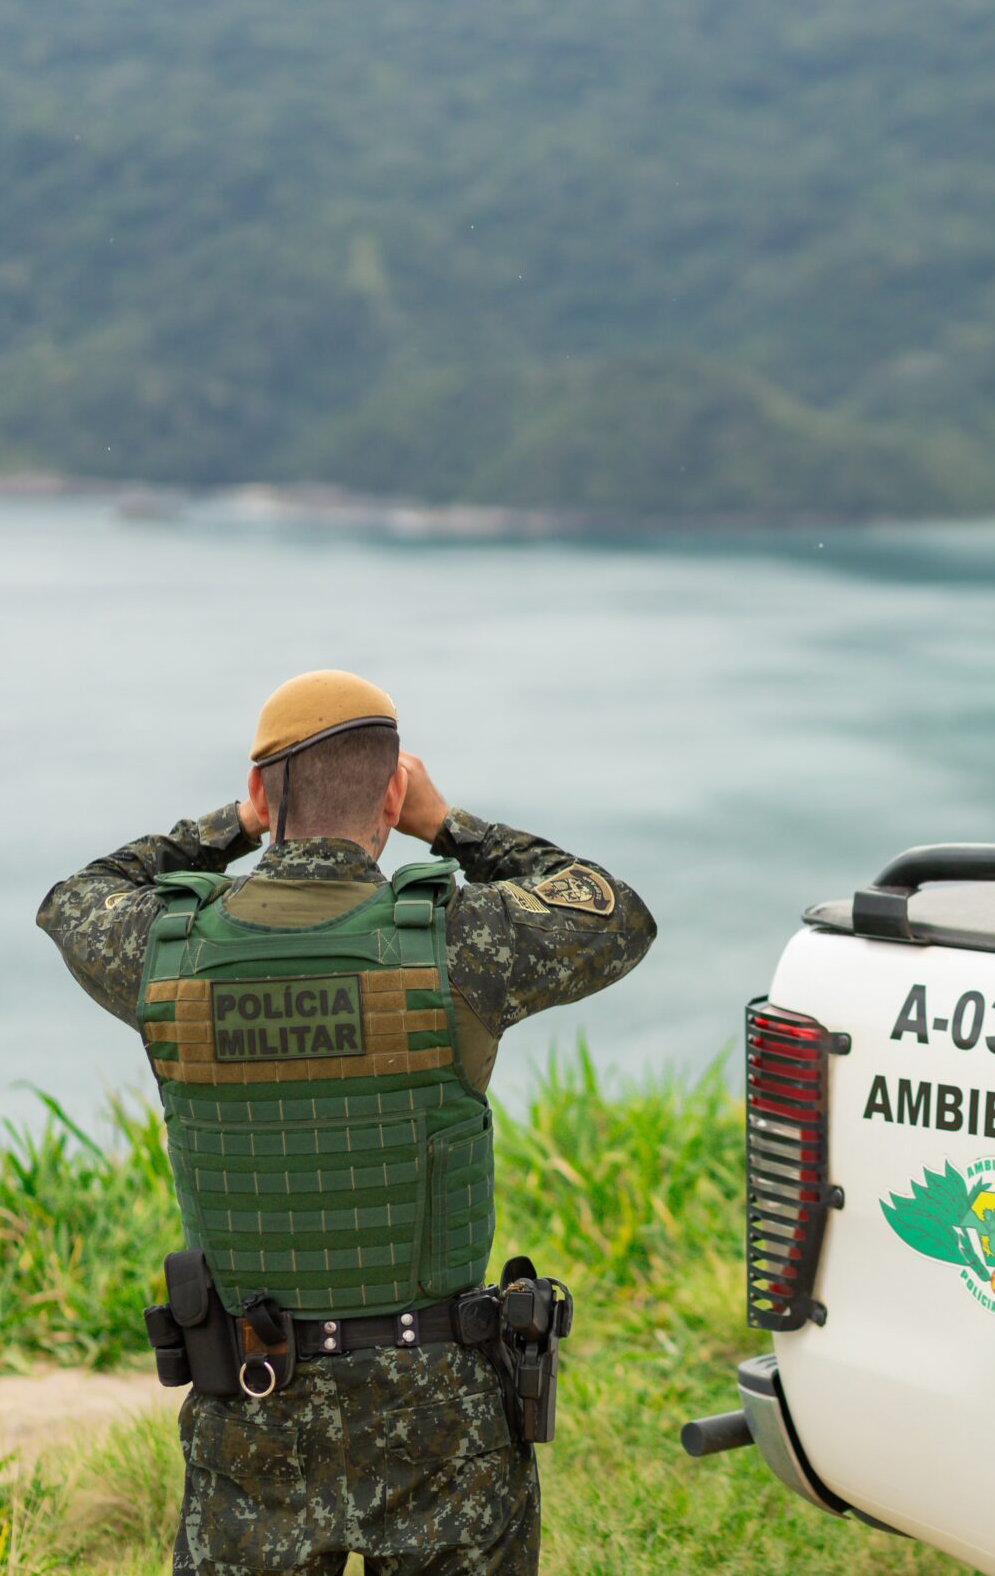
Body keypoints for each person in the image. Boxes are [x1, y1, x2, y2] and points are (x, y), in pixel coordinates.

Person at [36, 670, 654, 1575]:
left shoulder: (161, 953)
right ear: (392, 795)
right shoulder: (459, 943)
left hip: (253, 1398)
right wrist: (451, 827)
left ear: (261, 793)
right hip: (442, 1412)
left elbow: (77, 896)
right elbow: (613, 910)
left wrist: (227, 827)